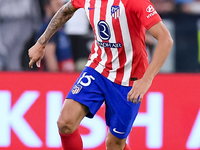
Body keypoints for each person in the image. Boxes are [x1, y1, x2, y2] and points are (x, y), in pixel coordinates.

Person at [28, 0, 173, 149]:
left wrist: (146, 80)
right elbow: (66, 10)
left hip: (128, 78)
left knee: (114, 144)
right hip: (98, 68)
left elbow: (166, 39)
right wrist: (41, 43)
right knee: (65, 123)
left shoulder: (134, 2)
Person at [37, 0, 75, 72]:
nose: (61, 4)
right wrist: (57, 78)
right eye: (58, 5)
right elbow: (49, 56)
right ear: (47, 7)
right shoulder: (47, 29)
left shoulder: (60, 29)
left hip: (67, 75)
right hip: (58, 77)